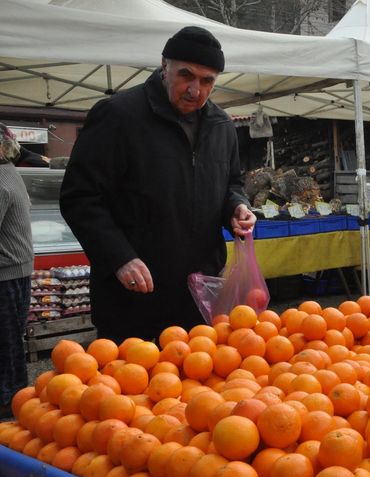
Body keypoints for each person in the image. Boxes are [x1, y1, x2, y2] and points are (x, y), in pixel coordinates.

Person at [60, 26, 255, 343]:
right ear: (164, 66)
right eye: (186, 75)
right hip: (134, 298)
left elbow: (231, 182)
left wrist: (236, 206)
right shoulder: (118, 117)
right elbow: (80, 197)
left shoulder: (221, 126)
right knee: (132, 387)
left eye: (207, 81)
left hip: (199, 298)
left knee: (202, 389)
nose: (195, 90)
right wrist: (119, 257)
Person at [0, 123, 31, 417]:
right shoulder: (10, 170)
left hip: (6, 272)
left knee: (6, 344)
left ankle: (10, 405)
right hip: (16, 269)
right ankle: (17, 400)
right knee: (11, 342)